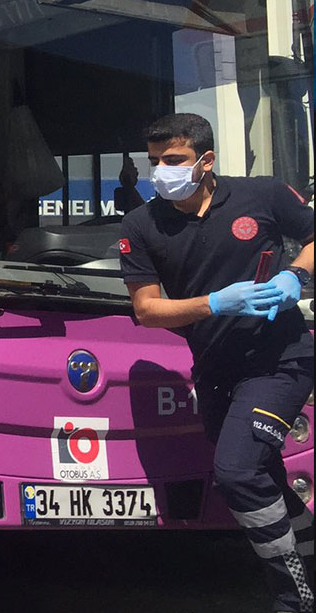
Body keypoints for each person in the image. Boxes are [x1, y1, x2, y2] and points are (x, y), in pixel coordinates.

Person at [120, 112, 313, 613]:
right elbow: (146, 309)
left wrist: (297, 276)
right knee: (262, 476)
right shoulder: (141, 224)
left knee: (236, 473)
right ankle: (310, 559)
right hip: (214, 370)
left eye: (174, 159)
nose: (162, 170)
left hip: (280, 362)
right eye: (155, 161)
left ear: (206, 160)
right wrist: (215, 303)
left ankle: (295, 596)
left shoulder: (262, 195)